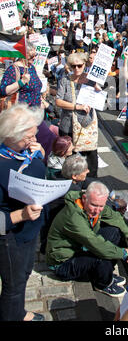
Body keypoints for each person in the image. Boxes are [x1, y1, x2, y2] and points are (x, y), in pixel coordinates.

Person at [46, 181, 128, 297]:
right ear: (84, 198)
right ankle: (102, 283)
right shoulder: (74, 217)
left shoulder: (95, 204)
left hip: (79, 248)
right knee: (101, 253)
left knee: (115, 232)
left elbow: (117, 219)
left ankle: (104, 273)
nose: (97, 210)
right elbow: (95, 244)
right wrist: (125, 253)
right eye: (94, 205)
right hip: (63, 263)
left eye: (101, 206)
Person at [0, 104, 46, 321]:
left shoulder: (24, 150)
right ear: (10, 136)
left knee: (24, 274)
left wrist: (40, 153)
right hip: (11, 237)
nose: (33, 139)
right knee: (14, 285)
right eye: (28, 136)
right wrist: (21, 216)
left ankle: (18, 312)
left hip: (29, 232)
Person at [55, 52, 99, 177]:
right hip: (68, 126)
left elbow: (100, 99)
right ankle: (71, 184)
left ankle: (89, 183)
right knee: (70, 160)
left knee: (91, 159)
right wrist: (77, 107)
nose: (76, 69)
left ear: (85, 65)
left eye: (79, 66)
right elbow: (58, 101)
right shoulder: (65, 79)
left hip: (86, 126)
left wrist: (97, 89)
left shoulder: (91, 80)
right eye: (73, 66)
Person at [0, 41, 42, 107]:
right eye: (31, 56)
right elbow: (3, 90)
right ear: (23, 54)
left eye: (35, 55)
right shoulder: (13, 69)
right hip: (21, 112)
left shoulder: (31, 67)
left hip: (35, 112)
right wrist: (22, 82)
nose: (34, 58)